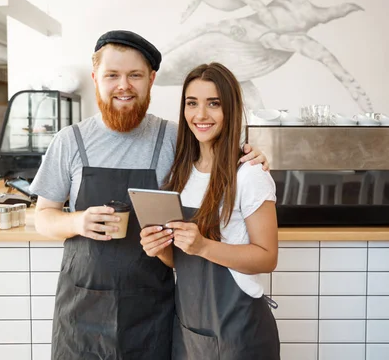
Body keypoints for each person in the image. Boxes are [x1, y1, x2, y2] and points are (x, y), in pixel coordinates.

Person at [30, 31, 269, 360]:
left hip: (152, 312)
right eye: (112, 75)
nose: (123, 86)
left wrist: (250, 153)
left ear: (151, 80)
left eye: (135, 75)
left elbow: (213, 151)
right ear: (95, 78)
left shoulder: (174, 139)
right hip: (82, 311)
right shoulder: (69, 141)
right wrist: (78, 221)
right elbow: (43, 218)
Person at [140, 62, 280, 360]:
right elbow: (181, 261)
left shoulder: (250, 174)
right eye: (192, 103)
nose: (200, 115)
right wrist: (161, 249)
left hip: (240, 334)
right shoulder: (180, 174)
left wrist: (203, 245)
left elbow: (267, 258)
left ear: (230, 109)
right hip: (191, 331)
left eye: (213, 104)